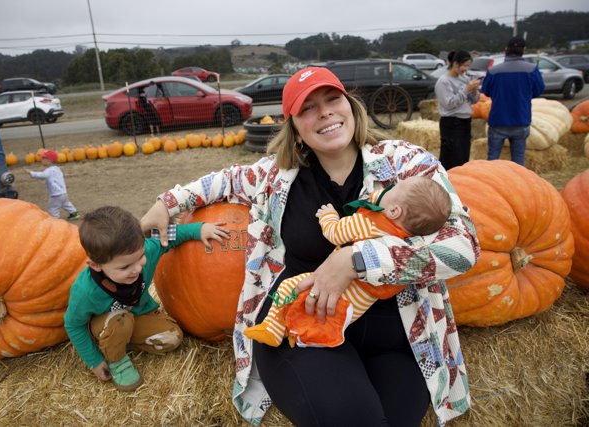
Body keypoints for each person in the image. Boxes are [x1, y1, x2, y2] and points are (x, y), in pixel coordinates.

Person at [141, 66, 479, 426]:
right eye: (308, 108)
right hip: (302, 327)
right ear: (295, 126)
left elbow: (463, 246)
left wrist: (355, 259)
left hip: (396, 336)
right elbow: (223, 180)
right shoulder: (276, 177)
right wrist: (166, 203)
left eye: (332, 99)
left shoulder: (406, 163)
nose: (325, 112)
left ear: (350, 106)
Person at [245, 176, 451, 348]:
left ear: (394, 211)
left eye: (393, 188)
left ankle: (272, 329)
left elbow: (335, 234)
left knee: (289, 287)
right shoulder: (406, 243)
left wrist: (328, 216)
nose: (388, 187)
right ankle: (300, 334)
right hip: (359, 305)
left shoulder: (368, 224)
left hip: (338, 290)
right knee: (321, 316)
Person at [64, 205, 230, 391]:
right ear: (95, 266)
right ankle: (116, 359)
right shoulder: (85, 291)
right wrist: (94, 361)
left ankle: (122, 342)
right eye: (125, 267)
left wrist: (199, 229)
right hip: (109, 322)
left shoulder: (147, 251)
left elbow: (171, 235)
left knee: (172, 337)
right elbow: (73, 324)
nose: (137, 269)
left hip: (137, 316)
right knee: (120, 321)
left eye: (140, 257)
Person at [481, 36, 545, 165]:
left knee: (492, 159)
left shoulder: (493, 71)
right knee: (518, 160)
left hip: (498, 121)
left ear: (506, 49)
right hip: (521, 119)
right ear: (524, 50)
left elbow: (486, 91)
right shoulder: (532, 69)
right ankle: (517, 183)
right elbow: (538, 91)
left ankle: (492, 183)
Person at [435, 50, 480, 170]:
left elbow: (474, 100)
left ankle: (461, 183)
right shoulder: (443, 81)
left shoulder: (464, 79)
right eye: (464, 66)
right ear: (455, 64)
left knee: (463, 157)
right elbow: (449, 104)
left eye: (468, 66)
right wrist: (466, 90)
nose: (466, 69)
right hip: (451, 123)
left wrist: (474, 90)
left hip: (465, 121)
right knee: (451, 158)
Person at [25, 149, 80, 220]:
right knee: (66, 203)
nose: (41, 160)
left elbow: (42, 175)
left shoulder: (49, 170)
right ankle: (74, 213)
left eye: (43, 158)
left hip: (56, 194)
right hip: (63, 192)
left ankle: (54, 220)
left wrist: (31, 173)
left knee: (53, 208)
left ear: (49, 161)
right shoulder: (57, 169)